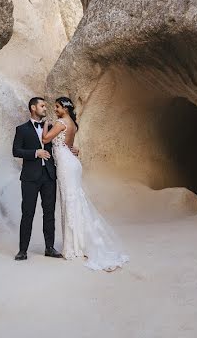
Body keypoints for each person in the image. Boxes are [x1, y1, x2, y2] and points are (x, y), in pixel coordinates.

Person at [41, 96, 128, 271]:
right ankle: (78, 244)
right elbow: (70, 146)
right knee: (74, 201)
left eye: (57, 107)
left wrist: (45, 124)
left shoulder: (60, 122)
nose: (55, 110)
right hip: (72, 163)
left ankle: (73, 246)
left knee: (69, 201)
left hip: (66, 165)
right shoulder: (72, 123)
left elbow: (45, 140)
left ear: (64, 108)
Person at [12, 97, 64, 261]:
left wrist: (72, 149)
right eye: (42, 106)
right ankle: (22, 250)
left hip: (49, 175)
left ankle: (49, 247)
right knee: (27, 213)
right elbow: (16, 151)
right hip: (30, 177)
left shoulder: (50, 127)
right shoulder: (21, 129)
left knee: (49, 213)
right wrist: (36, 153)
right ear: (33, 108)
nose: (45, 108)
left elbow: (58, 146)